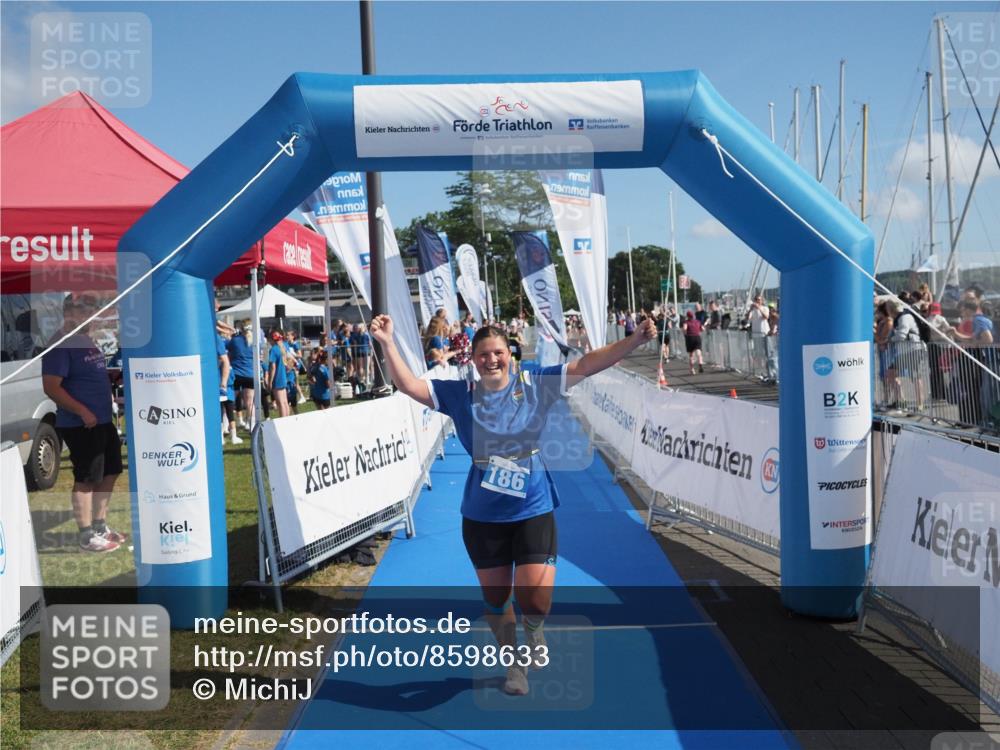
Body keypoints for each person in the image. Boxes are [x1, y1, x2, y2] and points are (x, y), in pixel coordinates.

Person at [369, 311, 657, 696]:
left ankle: (535, 631)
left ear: (511, 355)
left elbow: (588, 364)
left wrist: (634, 340)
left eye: (498, 353)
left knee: (535, 599)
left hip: (533, 507)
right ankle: (514, 664)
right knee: (496, 598)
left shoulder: (536, 384)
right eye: (484, 354)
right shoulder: (460, 395)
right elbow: (407, 385)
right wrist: (387, 342)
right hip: (483, 515)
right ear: (472, 359)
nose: (492, 360)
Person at [42, 296, 126, 553]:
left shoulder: (86, 340)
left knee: (111, 471)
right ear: (67, 311)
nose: (89, 313)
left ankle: (99, 526)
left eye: (91, 309)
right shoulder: (60, 343)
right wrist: (82, 411)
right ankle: (86, 536)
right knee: (87, 478)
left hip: (102, 420)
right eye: (83, 309)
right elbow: (51, 387)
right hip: (81, 423)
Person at [227, 320, 257, 429]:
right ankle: (253, 426)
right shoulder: (255, 341)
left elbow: (228, 353)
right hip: (250, 374)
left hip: (236, 374)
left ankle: (226, 427)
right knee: (250, 403)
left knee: (229, 402)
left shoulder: (235, 341)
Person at [266, 329, 291, 418]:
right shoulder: (282, 347)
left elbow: (272, 367)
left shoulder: (273, 350)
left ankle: (283, 422)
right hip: (283, 377)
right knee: (285, 402)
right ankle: (287, 419)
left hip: (277, 378)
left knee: (280, 403)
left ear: (271, 339)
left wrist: (270, 382)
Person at [682, 310, 704, 374]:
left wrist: (685, 334)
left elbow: (684, 329)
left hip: (690, 338)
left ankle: (692, 369)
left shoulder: (686, 322)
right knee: (699, 352)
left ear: (687, 316)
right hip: (697, 337)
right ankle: (700, 364)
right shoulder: (698, 321)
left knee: (691, 355)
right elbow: (702, 329)